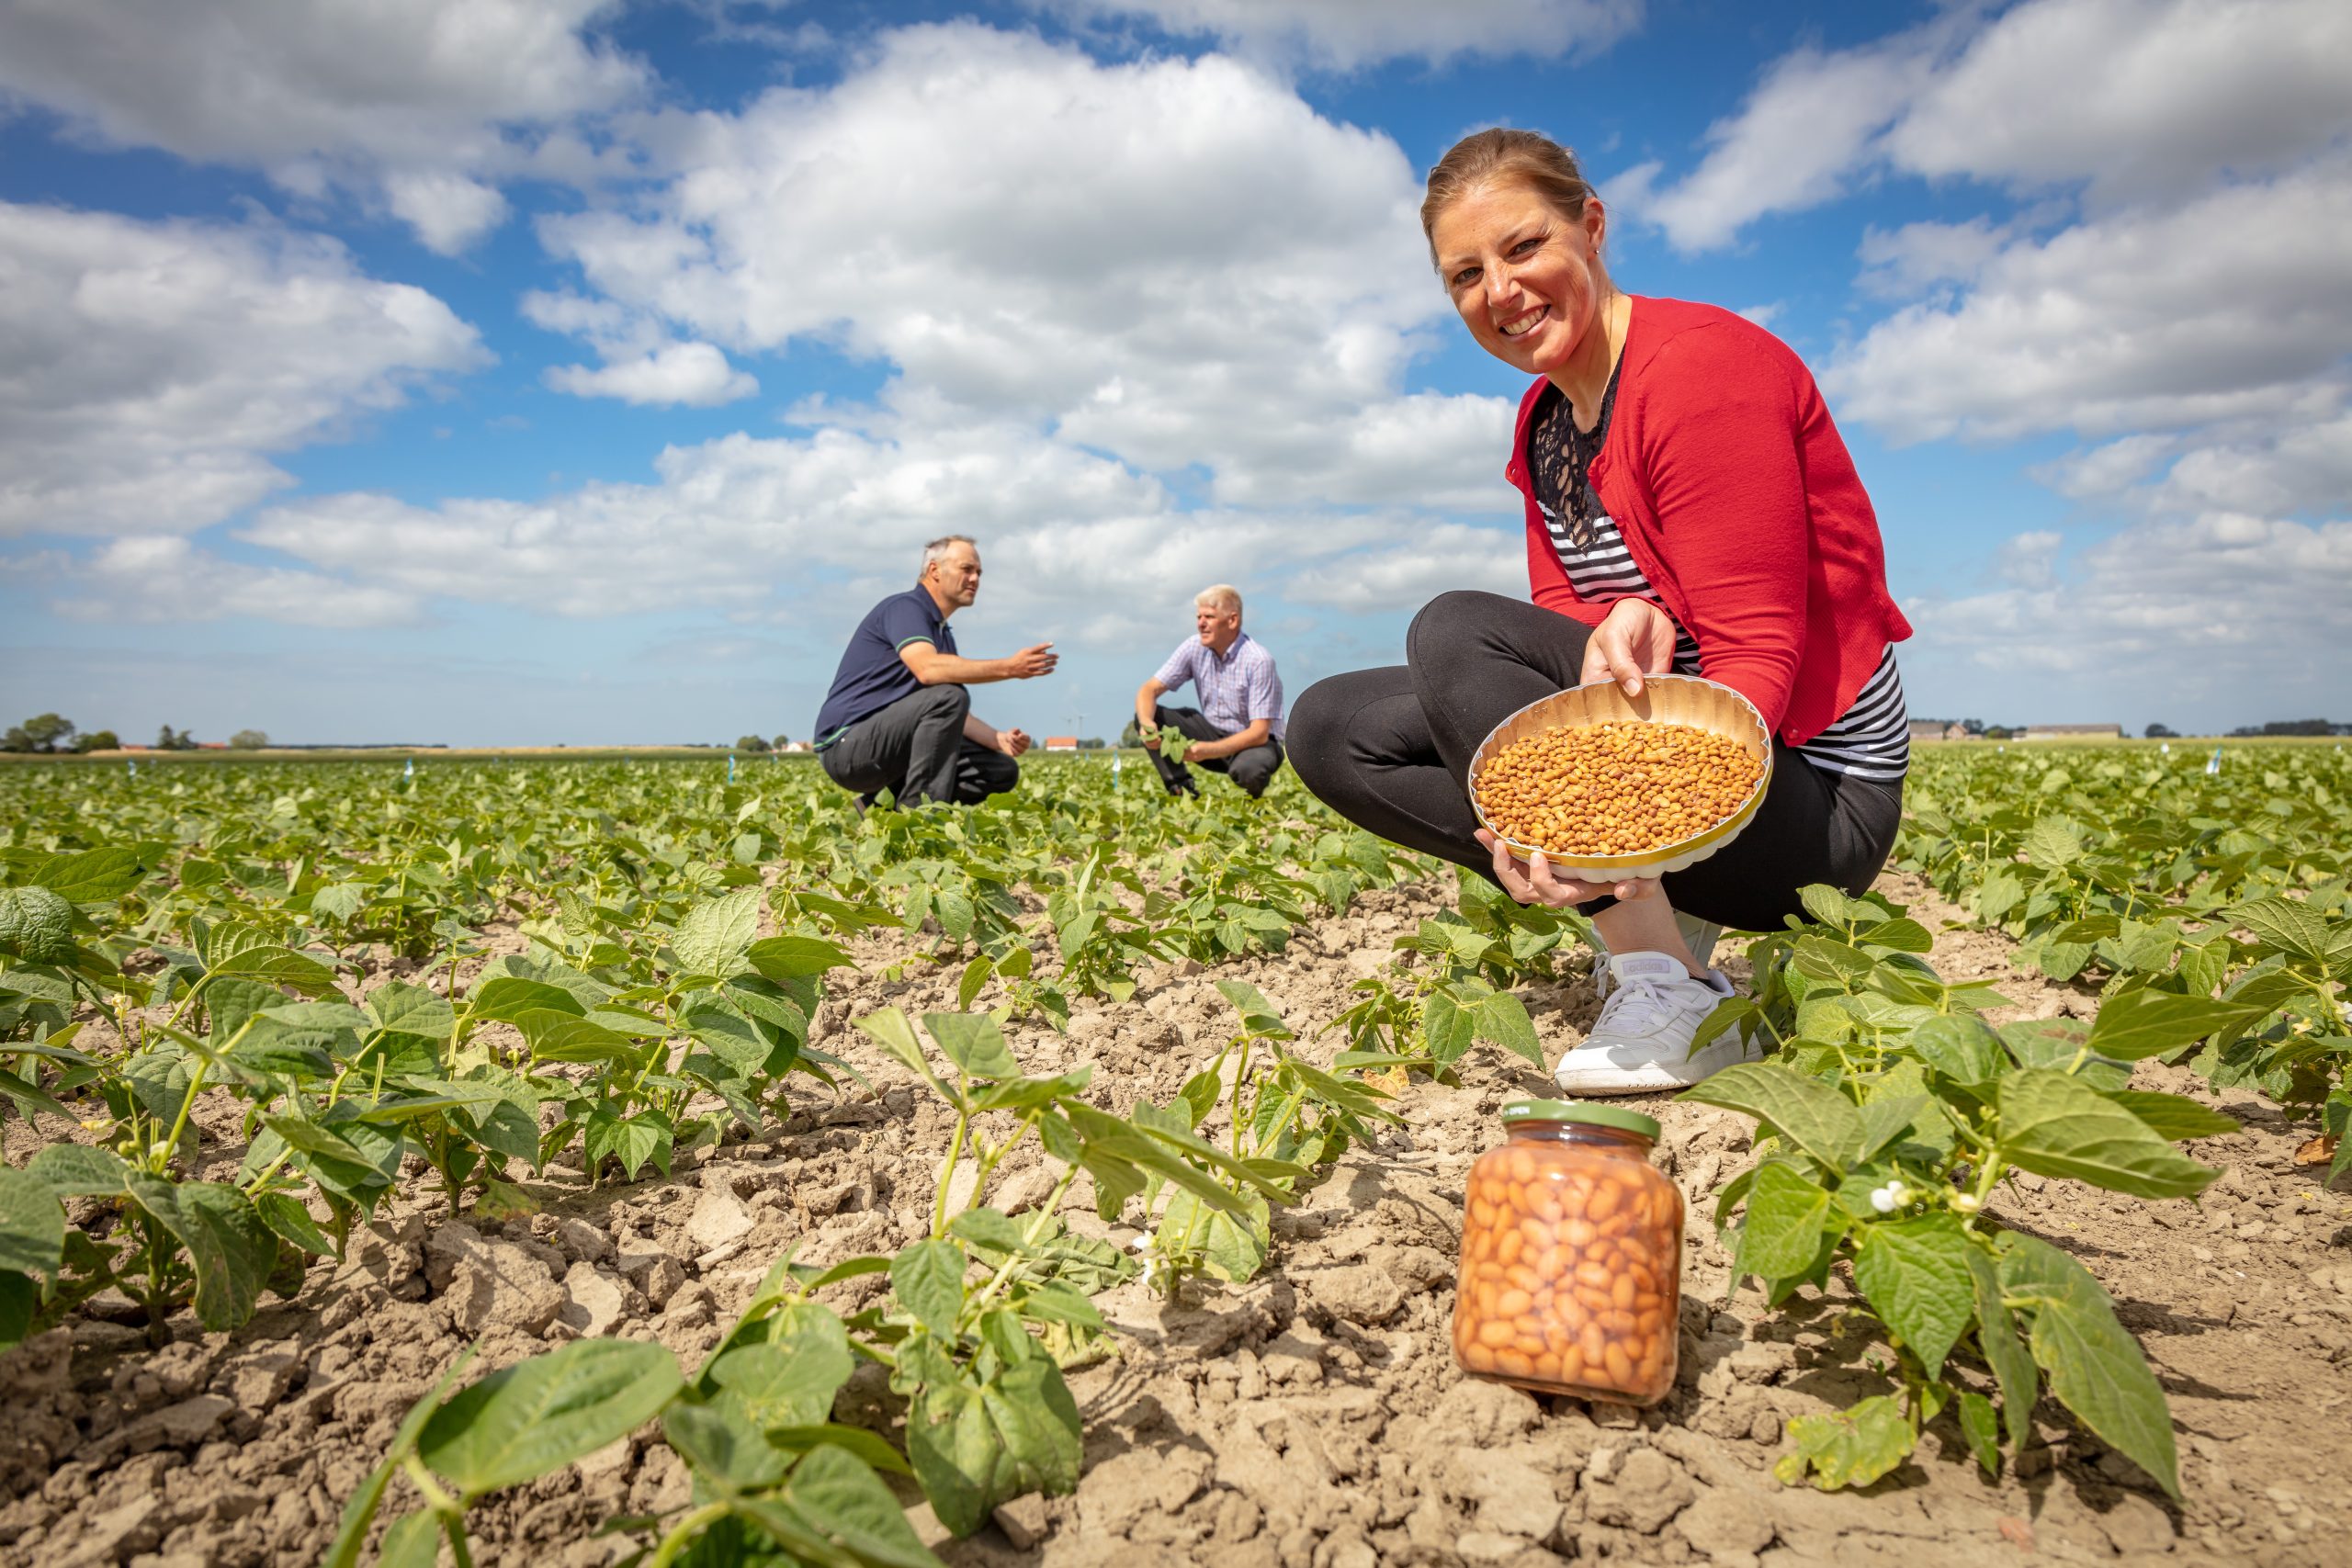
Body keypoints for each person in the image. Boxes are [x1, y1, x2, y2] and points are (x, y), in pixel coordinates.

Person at [1289, 129, 1913, 1096]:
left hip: (1816, 807)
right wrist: (1527, 816)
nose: (1499, 290)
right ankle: (1645, 907)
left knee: (1453, 627)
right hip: (1685, 776)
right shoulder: (1546, 425)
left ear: (1591, 226)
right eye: (1465, 273)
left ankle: (1667, 982)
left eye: (1523, 246)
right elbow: (1564, 644)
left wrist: (1592, 819)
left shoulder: (1699, 372)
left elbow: (1755, 655)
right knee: (1334, 727)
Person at [812, 535, 1056, 807]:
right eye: (967, 569)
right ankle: (921, 818)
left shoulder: (941, 632)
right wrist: (1009, 667)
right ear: (934, 570)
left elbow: (948, 716)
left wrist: (998, 739)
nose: (975, 579)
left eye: (978, 572)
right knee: (949, 695)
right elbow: (927, 671)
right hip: (847, 748)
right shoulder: (905, 609)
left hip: (886, 745)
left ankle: (879, 808)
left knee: (999, 771)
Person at [1134, 585, 1287, 799]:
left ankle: (1253, 805)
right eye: (1198, 617)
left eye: (1209, 617)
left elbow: (1260, 732)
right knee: (1151, 716)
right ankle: (1180, 789)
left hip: (1255, 743)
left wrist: (1206, 750)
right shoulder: (1194, 647)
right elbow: (1148, 690)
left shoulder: (1258, 660)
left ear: (1232, 620)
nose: (1201, 623)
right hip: (1212, 732)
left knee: (1249, 769)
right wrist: (1146, 724)